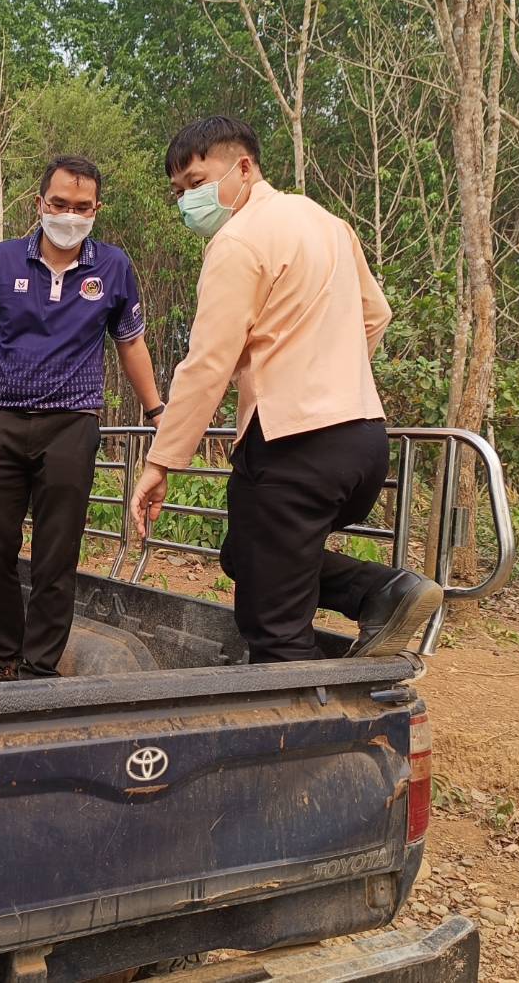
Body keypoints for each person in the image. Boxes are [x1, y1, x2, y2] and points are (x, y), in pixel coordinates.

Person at [130, 116, 441, 664]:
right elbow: (377, 315)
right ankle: (383, 591)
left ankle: (299, 734)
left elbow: (207, 364)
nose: (188, 201)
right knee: (247, 554)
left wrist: (161, 463)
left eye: (198, 182)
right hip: (363, 441)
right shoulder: (326, 222)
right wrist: (329, 373)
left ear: (243, 168)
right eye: (179, 192)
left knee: (273, 627)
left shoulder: (237, 241)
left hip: (292, 447)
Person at [0, 156, 166, 683]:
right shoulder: (2, 261)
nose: (70, 215)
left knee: (56, 554)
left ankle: (38, 670)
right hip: (1, 418)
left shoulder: (114, 267)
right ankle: (0, 659)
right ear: (39, 204)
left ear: (97, 210)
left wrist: (158, 410)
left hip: (72, 424)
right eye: (60, 205)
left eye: (82, 207)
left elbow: (131, 343)